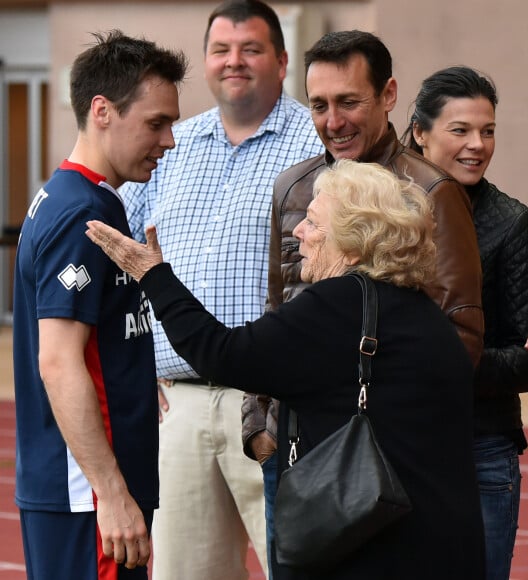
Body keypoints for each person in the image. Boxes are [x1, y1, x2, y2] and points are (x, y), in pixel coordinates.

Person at [87, 158, 486, 580]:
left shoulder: (338, 303)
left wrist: (153, 275)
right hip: (444, 545)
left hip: (374, 550)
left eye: (313, 222)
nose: (298, 232)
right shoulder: (425, 314)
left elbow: (221, 353)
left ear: (352, 243)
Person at [241, 29, 484, 530]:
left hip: (381, 457)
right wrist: (259, 428)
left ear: (389, 95)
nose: (333, 122)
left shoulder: (430, 191)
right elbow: (274, 307)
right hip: (292, 447)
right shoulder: (293, 187)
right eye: (319, 105)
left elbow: (461, 336)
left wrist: (393, 430)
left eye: (349, 101)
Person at [119, 1, 323, 578]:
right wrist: (135, 359)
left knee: (303, 565)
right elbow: (119, 256)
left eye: (251, 49)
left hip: (276, 404)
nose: (234, 62)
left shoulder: (318, 143)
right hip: (178, 407)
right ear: (205, 63)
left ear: (282, 62)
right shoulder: (169, 149)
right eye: (221, 50)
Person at [11, 30, 187, 580]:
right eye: (156, 123)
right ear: (102, 110)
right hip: (86, 497)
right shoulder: (76, 212)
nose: (170, 141)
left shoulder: (94, 199)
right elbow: (59, 360)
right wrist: (110, 494)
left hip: (96, 489)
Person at [402, 65, 528, 580]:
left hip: (480, 448)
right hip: (393, 445)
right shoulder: (380, 211)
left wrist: (437, 368)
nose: (478, 145)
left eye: (488, 130)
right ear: (420, 132)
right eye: (461, 130)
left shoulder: (513, 225)